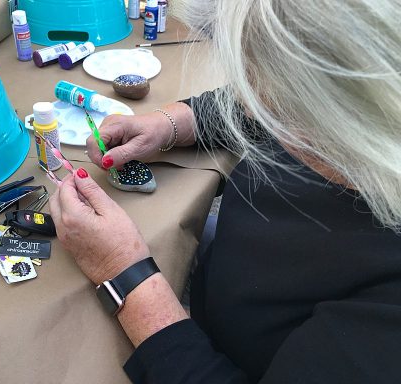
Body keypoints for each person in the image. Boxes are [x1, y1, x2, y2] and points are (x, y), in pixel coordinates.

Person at [50, 1, 401, 382]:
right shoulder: (358, 111)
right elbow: (254, 104)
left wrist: (122, 272)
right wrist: (171, 124)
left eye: (278, 107)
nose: (249, 112)